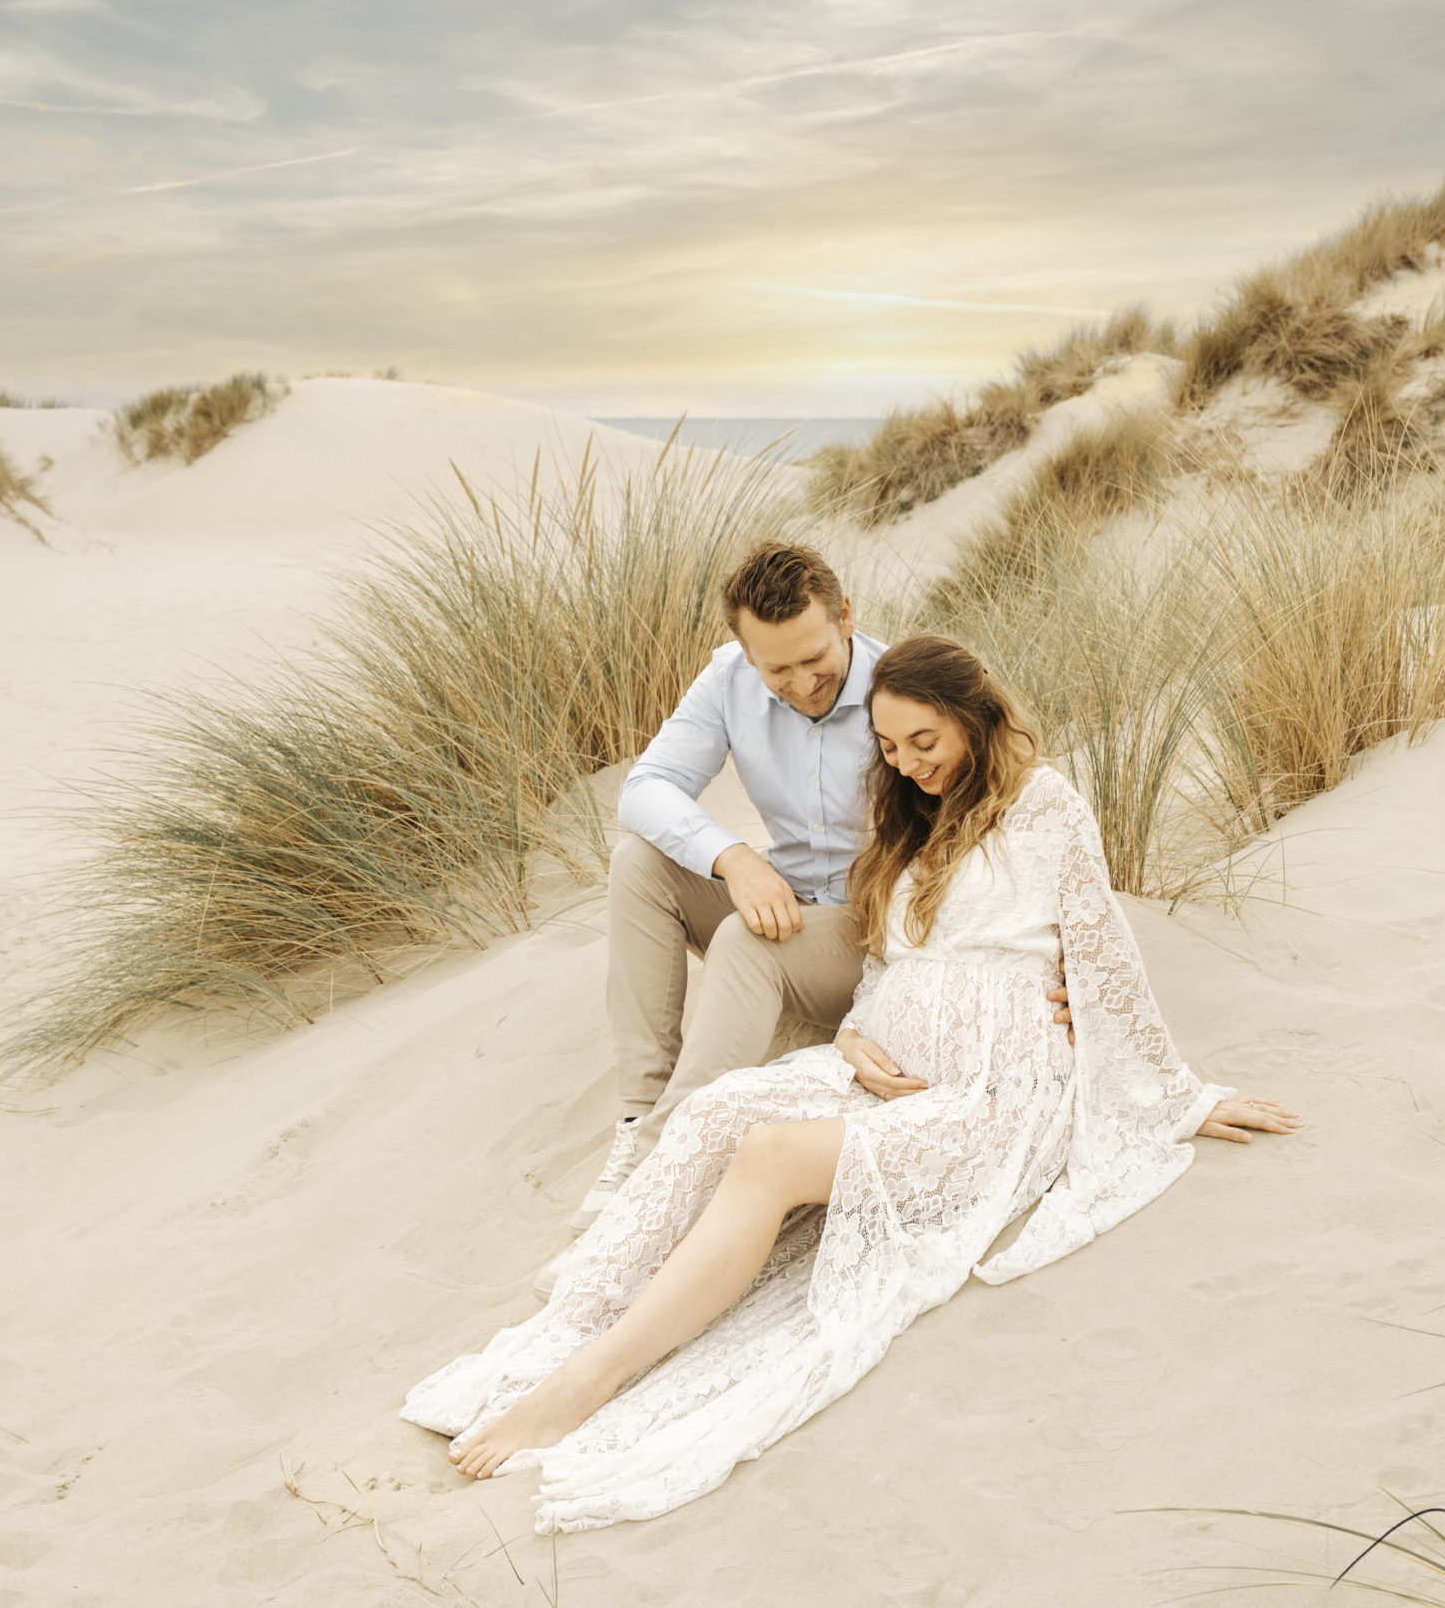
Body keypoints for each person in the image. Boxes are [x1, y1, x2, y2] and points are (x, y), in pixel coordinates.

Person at [403, 634, 1301, 1533]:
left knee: (769, 1154)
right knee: (721, 1108)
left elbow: (1104, 950)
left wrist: (1181, 1095)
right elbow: (885, 964)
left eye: (925, 742)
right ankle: (584, 1319)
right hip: (885, 1071)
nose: (907, 765)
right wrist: (859, 1033)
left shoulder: (1045, 804)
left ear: (976, 718)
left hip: (997, 1096)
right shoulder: (909, 819)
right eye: (889, 746)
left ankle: (585, 1384)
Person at [573, 543, 1068, 1263]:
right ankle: (640, 1116)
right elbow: (644, 788)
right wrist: (733, 857)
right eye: (778, 669)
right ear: (746, 653)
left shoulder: (902, 696)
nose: (804, 682)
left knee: (748, 941)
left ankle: (667, 1166)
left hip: (876, 934)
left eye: (817, 658)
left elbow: (996, 839)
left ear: (844, 616)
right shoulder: (727, 681)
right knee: (638, 864)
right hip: (786, 899)